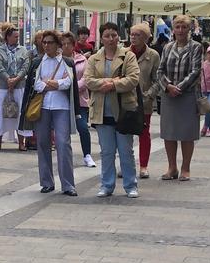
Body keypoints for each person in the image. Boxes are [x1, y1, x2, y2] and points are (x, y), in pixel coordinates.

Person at [84, 22, 141, 198]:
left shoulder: (128, 56)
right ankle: (106, 185)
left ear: (119, 36)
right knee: (106, 151)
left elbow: (133, 79)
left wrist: (113, 85)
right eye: (107, 35)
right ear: (101, 37)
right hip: (102, 112)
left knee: (126, 150)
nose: (111, 39)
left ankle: (130, 185)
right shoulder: (94, 58)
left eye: (114, 35)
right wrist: (109, 82)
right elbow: (88, 80)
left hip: (123, 111)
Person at [153, 15, 202, 181]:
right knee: (169, 132)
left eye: (184, 27)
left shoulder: (196, 47)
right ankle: (172, 167)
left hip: (187, 95)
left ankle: (185, 167)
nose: (180, 30)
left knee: (187, 133)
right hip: (169, 95)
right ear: (173, 29)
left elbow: (195, 71)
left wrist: (179, 87)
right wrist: (168, 86)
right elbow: (159, 71)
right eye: (178, 27)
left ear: (189, 29)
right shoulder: (167, 47)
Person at [31, 31, 79, 196]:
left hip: (62, 106)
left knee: (63, 144)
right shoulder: (37, 62)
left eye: (50, 42)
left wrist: (52, 83)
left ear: (58, 45)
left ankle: (68, 184)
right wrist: (56, 84)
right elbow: (35, 84)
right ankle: (46, 182)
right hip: (43, 106)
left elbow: (69, 82)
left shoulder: (67, 62)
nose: (46, 45)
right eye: (44, 42)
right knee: (43, 143)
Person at [0, 25, 31, 151]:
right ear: (7, 37)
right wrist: (8, 79)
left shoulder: (23, 50)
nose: (17, 38)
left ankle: (21, 142)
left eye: (18, 36)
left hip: (20, 85)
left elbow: (25, 66)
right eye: (15, 36)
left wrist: (16, 79)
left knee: (20, 113)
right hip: (2, 86)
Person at [61, 31, 96, 168]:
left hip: (80, 99)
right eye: (62, 44)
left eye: (68, 43)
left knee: (82, 127)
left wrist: (73, 88)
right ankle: (65, 155)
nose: (65, 46)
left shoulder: (82, 59)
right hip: (63, 99)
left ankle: (87, 155)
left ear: (73, 44)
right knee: (63, 129)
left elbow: (86, 78)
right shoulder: (58, 60)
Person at [130, 23, 160, 179]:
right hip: (126, 99)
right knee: (125, 132)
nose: (133, 37)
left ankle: (143, 166)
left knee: (143, 132)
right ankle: (126, 164)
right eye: (132, 34)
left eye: (137, 35)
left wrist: (149, 95)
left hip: (144, 101)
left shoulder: (153, 55)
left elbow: (158, 79)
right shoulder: (124, 53)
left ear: (146, 38)